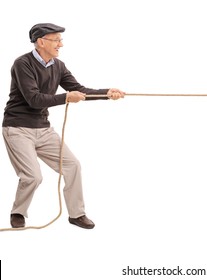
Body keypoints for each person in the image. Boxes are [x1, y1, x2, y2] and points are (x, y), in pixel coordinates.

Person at [2, 23, 125, 229]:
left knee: (72, 165)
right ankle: (18, 212)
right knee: (33, 176)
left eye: (60, 39)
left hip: (43, 129)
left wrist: (107, 93)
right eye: (56, 39)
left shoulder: (58, 66)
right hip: (18, 128)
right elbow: (34, 99)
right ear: (41, 42)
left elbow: (79, 89)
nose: (61, 44)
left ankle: (76, 215)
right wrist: (66, 97)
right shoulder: (22, 63)